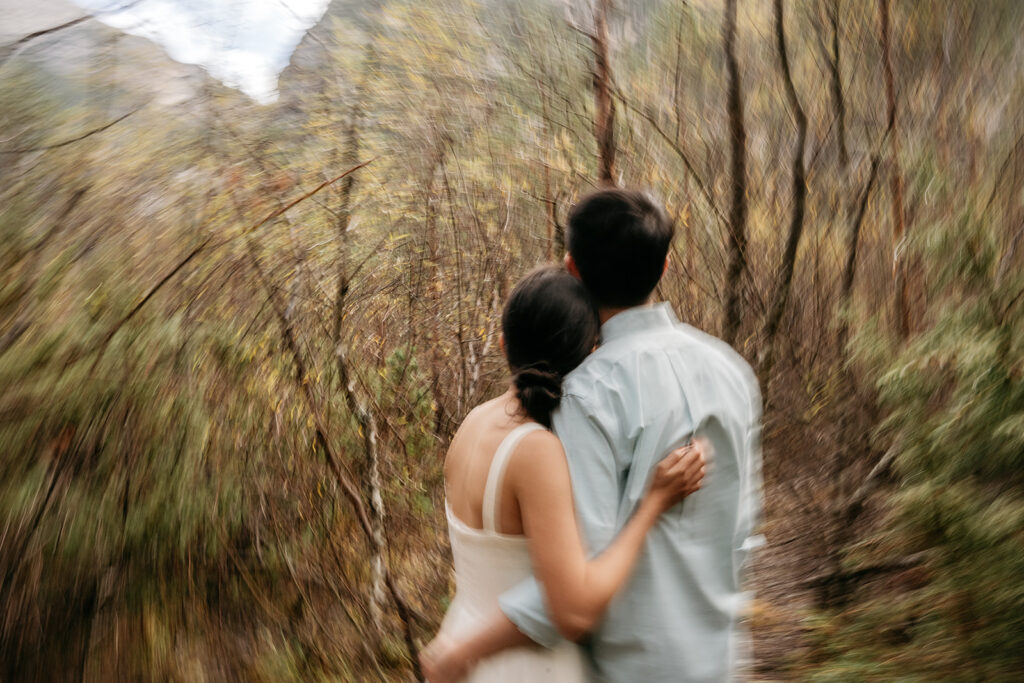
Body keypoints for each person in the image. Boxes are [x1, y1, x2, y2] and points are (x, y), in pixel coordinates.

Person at [422, 189, 762, 682]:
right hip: (721, 661)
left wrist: (466, 647)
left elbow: (574, 588)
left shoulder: (584, 396)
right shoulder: (732, 371)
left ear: (572, 267)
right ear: (665, 265)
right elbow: (742, 534)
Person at [429, 265, 708, 682]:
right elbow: (574, 611)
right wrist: (653, 503)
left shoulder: (472, 423)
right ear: (593, 354)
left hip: (464, 638)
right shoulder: (535, 451)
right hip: (525, 665)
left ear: (504, 345)